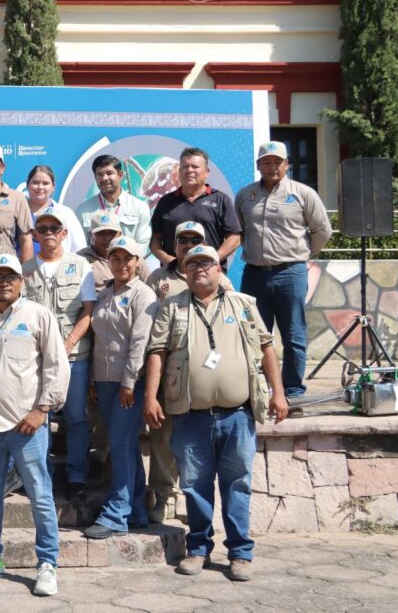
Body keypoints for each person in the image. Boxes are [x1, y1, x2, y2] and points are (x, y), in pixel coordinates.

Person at [144, 244, 289, 581]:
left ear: (219, 267)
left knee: (237, 484)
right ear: (184, 269)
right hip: (190, 415)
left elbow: (267, 347)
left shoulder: (244, 305)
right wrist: (151, 397)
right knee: (194, 485)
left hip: (237, 415)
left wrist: (278, 394)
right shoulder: (172, 307)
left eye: (206, 263)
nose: (199, 269)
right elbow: (157, 352)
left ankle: (240, 553)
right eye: (192, 263)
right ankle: (198, 549)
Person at [0, 254, 68, 597]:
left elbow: (57, 364)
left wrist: (43, 409)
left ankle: (47, 563)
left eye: (10, 277)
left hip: (26, 423)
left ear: (21, 281)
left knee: (39, 494)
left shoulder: (38, 315)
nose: (4, 283)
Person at [144, 220, 233, 523]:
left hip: (206, 379)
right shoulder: (157, 278)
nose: (187, 245)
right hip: (170, 374)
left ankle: (189, 501)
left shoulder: (220, 279)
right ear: (174, 244)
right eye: (183, 240)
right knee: (162, 438)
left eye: (195, 240)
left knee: (196, 445)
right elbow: (147, 332)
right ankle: (164, 496)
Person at [235, 141, 331, 402]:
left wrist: (303, 255)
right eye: (266, 161)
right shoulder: (245, 195)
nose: (272, 166)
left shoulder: (303, 193)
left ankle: (293, 391)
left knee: (293, 335)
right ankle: (261, 390)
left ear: (287, 164)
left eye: (277, 161)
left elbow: (322, 230)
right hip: (254, 274)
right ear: (258, 166)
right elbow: (241, 231)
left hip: (291, 273)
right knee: (254, 333)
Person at [83, 237, 157, 540]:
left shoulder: (143, 294)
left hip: (130, 383)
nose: (122, 264)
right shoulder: (105, 295)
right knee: (125, 446)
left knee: (120, 444)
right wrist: (91, 379)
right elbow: (98, 340)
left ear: (137, 262)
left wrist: (129, 381)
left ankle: (116, 514)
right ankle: (137, 509)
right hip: (104, 381)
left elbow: (140, 342)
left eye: (128, 259)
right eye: (116, 258)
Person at [21, 206, 96, 501]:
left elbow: (88, 311)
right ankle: (42, 476)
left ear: (65, 233)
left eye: (54, 229)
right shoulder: (26, 269)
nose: (49, 234)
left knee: (76, 418)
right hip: (36, 360)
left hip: (74, 357)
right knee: (40, 417)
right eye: (43, 229)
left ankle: (77, 475)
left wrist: (65, 347)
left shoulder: (80, 266)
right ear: (36, 235)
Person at [150, 147, 242, 268]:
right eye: (185, 167)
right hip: (173, 274)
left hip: (209, 272)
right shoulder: (165, 202)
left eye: (195, 166)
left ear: (207, 172)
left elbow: (234, 237)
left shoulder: (220, 200)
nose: (189, 170)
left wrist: (213, 258)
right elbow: (155, 239)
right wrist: (167, 260)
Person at [74, 155, 152, 250]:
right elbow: (81, 246)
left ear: (120, 175)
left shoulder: (139, 207)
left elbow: (142, 243)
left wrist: (127, 263)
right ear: (95, 177)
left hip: (128, 263)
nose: (104, 178)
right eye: (100, 174)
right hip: (94, 263)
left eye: (109, 173)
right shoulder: (83, 210)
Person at [78, 210, 147, 292]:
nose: (107, 238)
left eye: (112, 233)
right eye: (101, 233)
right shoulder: (79, 259)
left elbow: (149, 286)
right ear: (90, 234)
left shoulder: (133, 256)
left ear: (120, 234)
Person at [25, 164, 85, 253]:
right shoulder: (17, 210)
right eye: (35, 183)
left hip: (60, 266)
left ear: (53, 187)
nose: (40, 187)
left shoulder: (66, 213)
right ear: (27, 185)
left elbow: (79, 249)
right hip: (23, 266)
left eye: (45, 183)